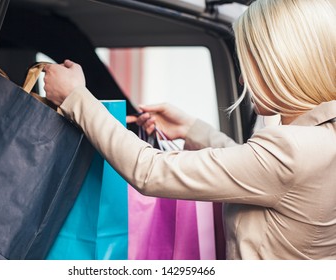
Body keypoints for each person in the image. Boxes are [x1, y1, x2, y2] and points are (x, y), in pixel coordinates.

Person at [43, 0, 336, 259]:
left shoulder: (292, 151)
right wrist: (191, 129)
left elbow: (149, 171)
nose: (242, 79)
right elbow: (259, 169)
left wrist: (76, 97)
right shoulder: (322, 140)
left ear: (284, 66)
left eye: (252, 64)